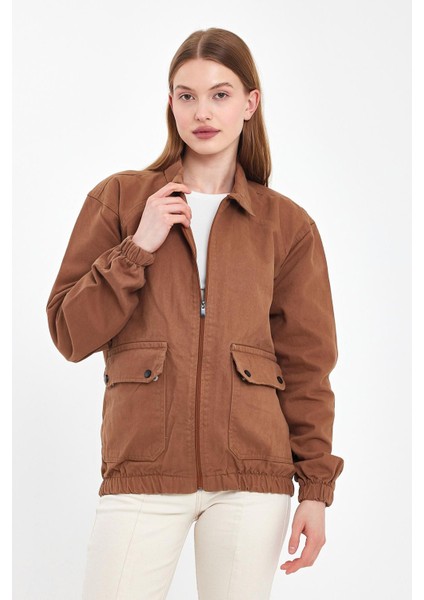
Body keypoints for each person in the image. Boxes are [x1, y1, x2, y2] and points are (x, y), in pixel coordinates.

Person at [46, 27, 344, 600]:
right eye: (187, 96)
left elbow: (308, 367)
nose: (202, 111)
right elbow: (69, 332)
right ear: (170, 103)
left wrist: (314, 490)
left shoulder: (287, 226)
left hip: (252, 476)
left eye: (220, 94)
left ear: (250, 104)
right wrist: (137, 248)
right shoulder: (120, 200)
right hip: (143, 467)